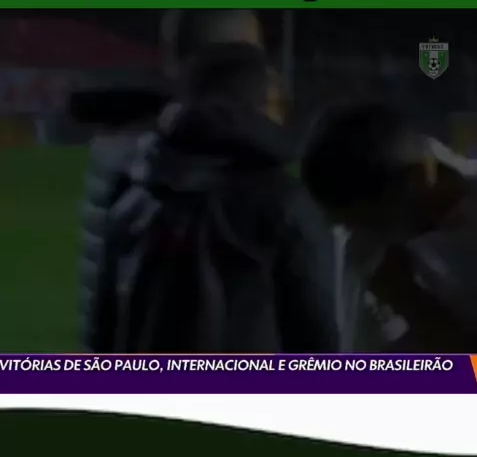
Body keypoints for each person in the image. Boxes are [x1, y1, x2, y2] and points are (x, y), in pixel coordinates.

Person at [85, 38, 338, 353]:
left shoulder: (131, 197)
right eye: (276, 102)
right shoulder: (283, 203)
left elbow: (102, 338)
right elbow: (320, 339)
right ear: (256, 103)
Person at [302, 102, 477, 352]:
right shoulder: (368, 248)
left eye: (368, 222)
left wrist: (409, 299)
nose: (357, 235)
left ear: (418, 180)